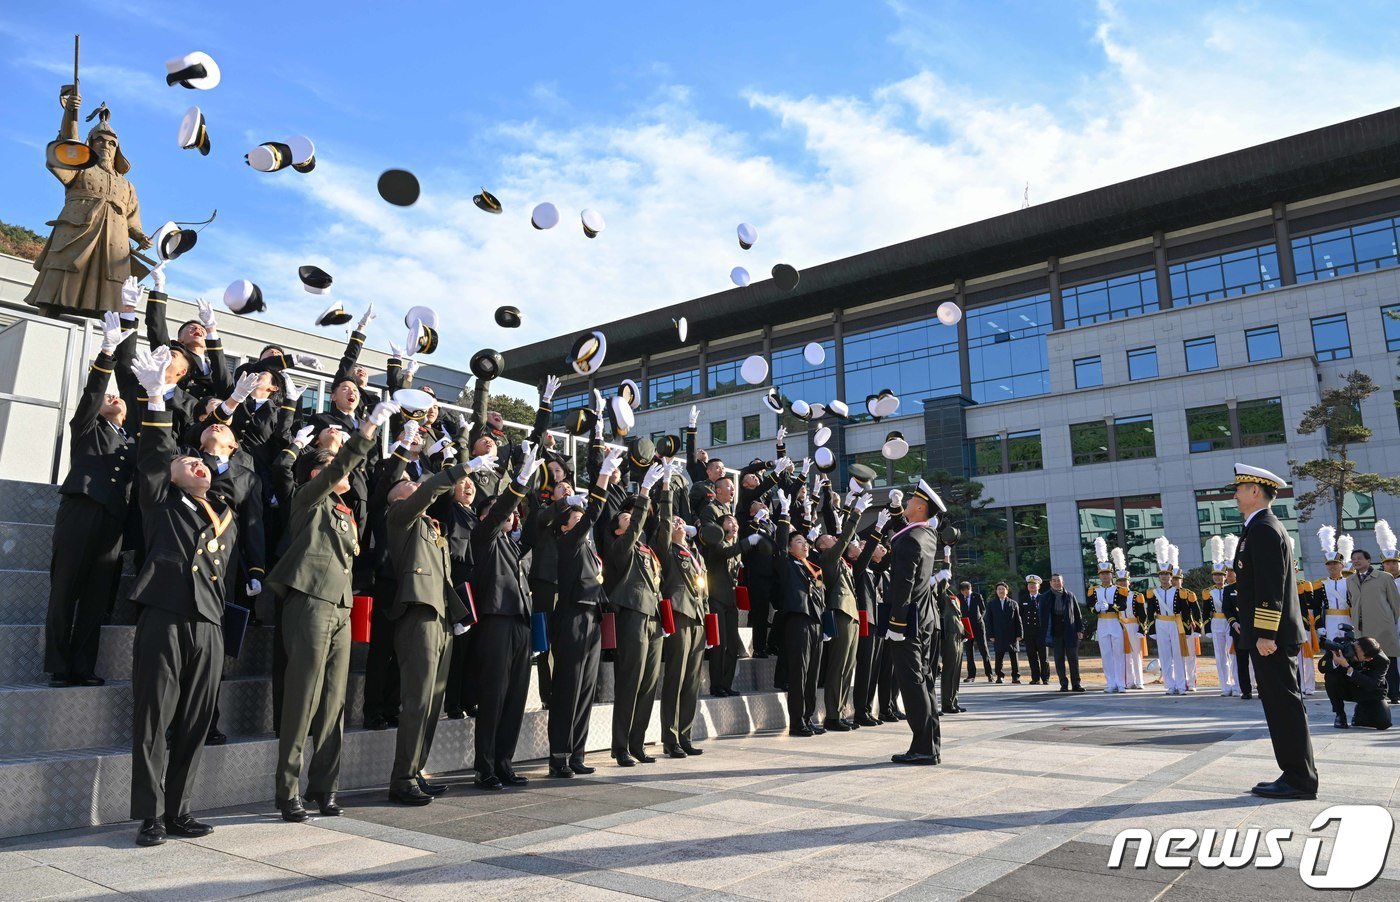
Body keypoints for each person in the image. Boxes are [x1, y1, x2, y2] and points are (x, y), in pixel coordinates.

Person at [125, 345, 233, 846]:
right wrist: (155, 400)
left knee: (195, 721)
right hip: (165, 613)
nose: (198, 465)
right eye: (188, 461)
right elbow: (154, 455)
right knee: (154, 717)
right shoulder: (159, 501)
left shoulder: (221, 513)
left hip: (209, 622)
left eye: (203, 463)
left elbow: (235, 474)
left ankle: (178, 810)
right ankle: (149, 815)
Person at [267, 399, 393, 821]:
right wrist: (368, 430)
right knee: (303, 697)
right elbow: (339, 470)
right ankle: (288, 790)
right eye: (334, 464)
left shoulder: (345, 513)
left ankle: (326, 787)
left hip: (341, 606)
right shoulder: (308, 501)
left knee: (335, 702)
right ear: (317, 473)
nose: (344, 470)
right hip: (310, 600)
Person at [384, 441, 501, 803]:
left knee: (433, 702)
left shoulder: (432, 527)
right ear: (397, 498)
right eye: (409, 485)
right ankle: (401, 778)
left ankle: (416, 770)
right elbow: (432, 489)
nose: (416, 487)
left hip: (442, 617)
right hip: (417, 614)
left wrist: (459, 615)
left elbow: (445, 578)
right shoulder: (399, 518)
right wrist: (463, 468)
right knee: (418, 699)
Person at [45, 314, 135, 688]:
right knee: (66, 587)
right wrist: (108, 352)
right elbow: (92, 395)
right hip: (80, 508)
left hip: (113, 520)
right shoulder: (86, 428)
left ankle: (84, 665)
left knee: (97, 596)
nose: (113, 398)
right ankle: (59, 665)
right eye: (108, 398)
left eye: (119, 398)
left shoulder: (132, 443)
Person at [1231, 463, 1317, 801]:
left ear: (1255, 491)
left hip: (1272, 637)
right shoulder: (1259, 527)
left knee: (1284, 706)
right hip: (1270, 635)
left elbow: (1269, 588)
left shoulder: (1264, 529)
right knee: (1281, 705)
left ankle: (1299, 778)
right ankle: (1295, 773)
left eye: (1239, 488)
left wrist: (1265, 634)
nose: (1235, 494)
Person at [26, 94, 151, 318]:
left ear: (117, 149)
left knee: (109, 298)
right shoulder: (80, 167)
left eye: (112, 142)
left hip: (113, 244)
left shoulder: (127, 185)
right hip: (77, 233)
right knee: (60, 283)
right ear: (91, 143)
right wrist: (70, 114)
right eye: (100, 140)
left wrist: (141, 237)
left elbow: (132, 219)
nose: (106, 145)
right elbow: (66, 146)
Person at [465, 441, 545, 791]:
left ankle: (504, 762)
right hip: (495, 620)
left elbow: (536, 526)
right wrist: (520, 479)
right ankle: (485, 767)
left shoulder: (513, 546)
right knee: (494, 696)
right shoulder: (482, 536)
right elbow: (499, 514)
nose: (510, 515)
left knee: (515, 698)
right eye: (501, 511)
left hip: (520, 622)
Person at [547, 449, 622, 776]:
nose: (582, 522)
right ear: (565, 528)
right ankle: (559, 756)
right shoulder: (567, 542)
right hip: (573, 616)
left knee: (587, 687)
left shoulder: (588, 548)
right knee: (569, 686)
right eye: (575, 519)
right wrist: (603, 474)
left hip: (592, 617)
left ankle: (577, 752)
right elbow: (593, 513)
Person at [605, 461, 670, 766]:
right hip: (631, 614)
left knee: (648, 685)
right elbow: (633, 531)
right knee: (630, 682)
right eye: (626, 518)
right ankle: (620, 746)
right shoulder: (620, 546)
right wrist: (643, 492)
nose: (632, 521)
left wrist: (665, 488)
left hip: (654, 618)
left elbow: (665, 528)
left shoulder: (648, 551)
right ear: (618, 527)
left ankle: (637, 742)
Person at [882, 479, 949, 765]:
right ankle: (930, 743)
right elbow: (903, 533)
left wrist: (896, 624)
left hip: (908, 621)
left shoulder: (910, 540)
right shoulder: (927, 535)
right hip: (927, 618)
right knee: (925, 681)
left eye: (910, 501)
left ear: (920, 507)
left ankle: (922, 747)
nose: (907, 503)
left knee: (912, 684)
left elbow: (903, 584)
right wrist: (896, 510)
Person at [774, 489, 826, 736]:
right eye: (799, 542)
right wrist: (784, 515)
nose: (804, 545)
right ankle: (797, 721)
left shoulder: (810, 568)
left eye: (806, 542)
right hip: (797, 620)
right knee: (799, 672)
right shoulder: (786, 563)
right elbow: (780, 547)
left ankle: (809, 716)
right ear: (789, 547)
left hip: (815, 622)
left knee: (813, 673)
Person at [817, 491, 867, 731]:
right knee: (838, 666)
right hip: (839, 611)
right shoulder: (827, 557)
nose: (834, 540)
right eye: (829, 538)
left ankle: (842, 711)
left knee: (849, 666)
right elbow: (844, 539)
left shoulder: (840, 562)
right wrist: (855, 514)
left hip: (852, 613)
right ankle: (832, 715)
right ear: (823, 546)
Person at [1347, 548, 1400, 704]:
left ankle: (1394, 693)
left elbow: (1395, 604)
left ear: (1369, 561)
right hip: (1362, 628)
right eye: (1353, 559)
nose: (1356, 561)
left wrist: (1390, 622)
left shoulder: (1384, 577)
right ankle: (1372, 692)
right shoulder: (1350, 580)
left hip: (1383, 626)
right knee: (1365, 661)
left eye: (1359, 558)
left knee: (1388, 659)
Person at [851, 514, 890, 726]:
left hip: (875, 619)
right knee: (865, 667)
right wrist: (879, 528)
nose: (863, 545)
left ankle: (867, 708)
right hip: (865, 619)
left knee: (874, 668)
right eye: (859, 544)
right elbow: (867, 554)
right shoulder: (858, 567)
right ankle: (860, 711)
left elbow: (887, 559)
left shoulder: (871, 568)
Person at [1321, 637, 1392, 730]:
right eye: (1366, 657)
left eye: (1371, 657)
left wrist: (1347, 666)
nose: (1369, 659)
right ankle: (1340, 714)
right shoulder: (1341, 646)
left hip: (1366, 691)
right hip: (1346, 687)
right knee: (1331, 676)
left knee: (1384, 723)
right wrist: (1335, 662)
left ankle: (1360, 714)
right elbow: (1321, 667)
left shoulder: (1382, 660)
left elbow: (1372, 684)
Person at [1145, 538, 1186, 695]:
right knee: (1165, 655)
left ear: (1171, 575)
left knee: (1178, 654)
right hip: (1161, 623)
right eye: (1161, 574)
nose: (1164, 577)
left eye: (1166, 574)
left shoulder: (1179, 592)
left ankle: (1181, 685)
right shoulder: (1153, 593)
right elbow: (1150, 613)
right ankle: (1170, 685)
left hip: (1175, 623)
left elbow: (1184, 611)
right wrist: (1152, 628)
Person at [1089, 540, 1128, 693]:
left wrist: (1110, 607)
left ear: (1112, 575)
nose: (1105, 576)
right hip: (1102, 623)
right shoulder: (1093, 590)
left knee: (1118, 653)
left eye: (1107, 574)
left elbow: (1123, 605)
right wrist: (1096, 609)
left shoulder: (1120, 589)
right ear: (1099, 575)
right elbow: (1090, 606)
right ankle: (1110, 682)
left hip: (1115, 621)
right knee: (1106, 654)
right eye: (1102, 574)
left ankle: (1121, 683)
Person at [1202, 537, 1239, 696]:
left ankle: (1237, 685)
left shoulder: (1231, 589)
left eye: (1220, 575)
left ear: (1226, 575)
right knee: (1220, 655)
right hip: (1216, 622)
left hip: (1230, 623)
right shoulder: (1207, 592)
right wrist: (1208, 628)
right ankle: (1225, 686)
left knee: (1233, 654)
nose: (1217, 578)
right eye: (1215, 575)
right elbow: (1206, 612)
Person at [1044, 574, 1084, 691]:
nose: (1057, 583)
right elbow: (1043, 616)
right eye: (1054, 581)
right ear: (1050, 583)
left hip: (1070, 631)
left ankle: (1076, 683)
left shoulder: (1070, 595)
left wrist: (1079, 630)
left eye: (1059, 581)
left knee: (1073, 658)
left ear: (1063, 582)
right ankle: (1063, 683)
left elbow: (1077, 614)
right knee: (1059, 659)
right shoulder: (1046, 597)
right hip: (1055, 632)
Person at [938, 557, 967, 714]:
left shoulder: (952, 594)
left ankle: (954, 701)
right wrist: (947, 560)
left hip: (958, 635)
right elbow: (942, 581)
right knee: (949, 670)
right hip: (948, 634)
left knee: (956, 671)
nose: (948, 578)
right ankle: (947, 703)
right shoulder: (940, 592)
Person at [987, 581, 1021, 683]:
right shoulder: (991, 604)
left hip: (1012, 634)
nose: (1001, 591)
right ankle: (999, 676)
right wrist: (991, 635)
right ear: (996, 591)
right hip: (998, 634)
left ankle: (1015, 676)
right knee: (999, 656)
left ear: (1007, 590)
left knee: (1014, 657)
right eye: (999, 589)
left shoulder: (1013, 603)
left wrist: (1020, 634)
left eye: (1003, 589)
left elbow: (1018, 620)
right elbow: (989, 621)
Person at [1017, 575, 1048, 685]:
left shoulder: (1043, 598)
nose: (1032, 586)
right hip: (1029, 633)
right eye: (1030, 585)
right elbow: (1020, 616)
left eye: (1034, 584)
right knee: (1032, 657)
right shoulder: (1024, 599)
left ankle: (1045, 678)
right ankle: (1035, 678)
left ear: (1038, 586)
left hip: (1041, 632)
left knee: (1043, 657)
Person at [960, 581, 991, 683]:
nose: (967, 593)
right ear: (962, 591)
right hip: (966, 627)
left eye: (968, 590)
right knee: (969, 651)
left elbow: (983, 609)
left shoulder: (977, 596)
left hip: (978, 626)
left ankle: (989, 674)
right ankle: (971, 675)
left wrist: (979, 619)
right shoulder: (958, 597)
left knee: (984, 650)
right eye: (965, 591)